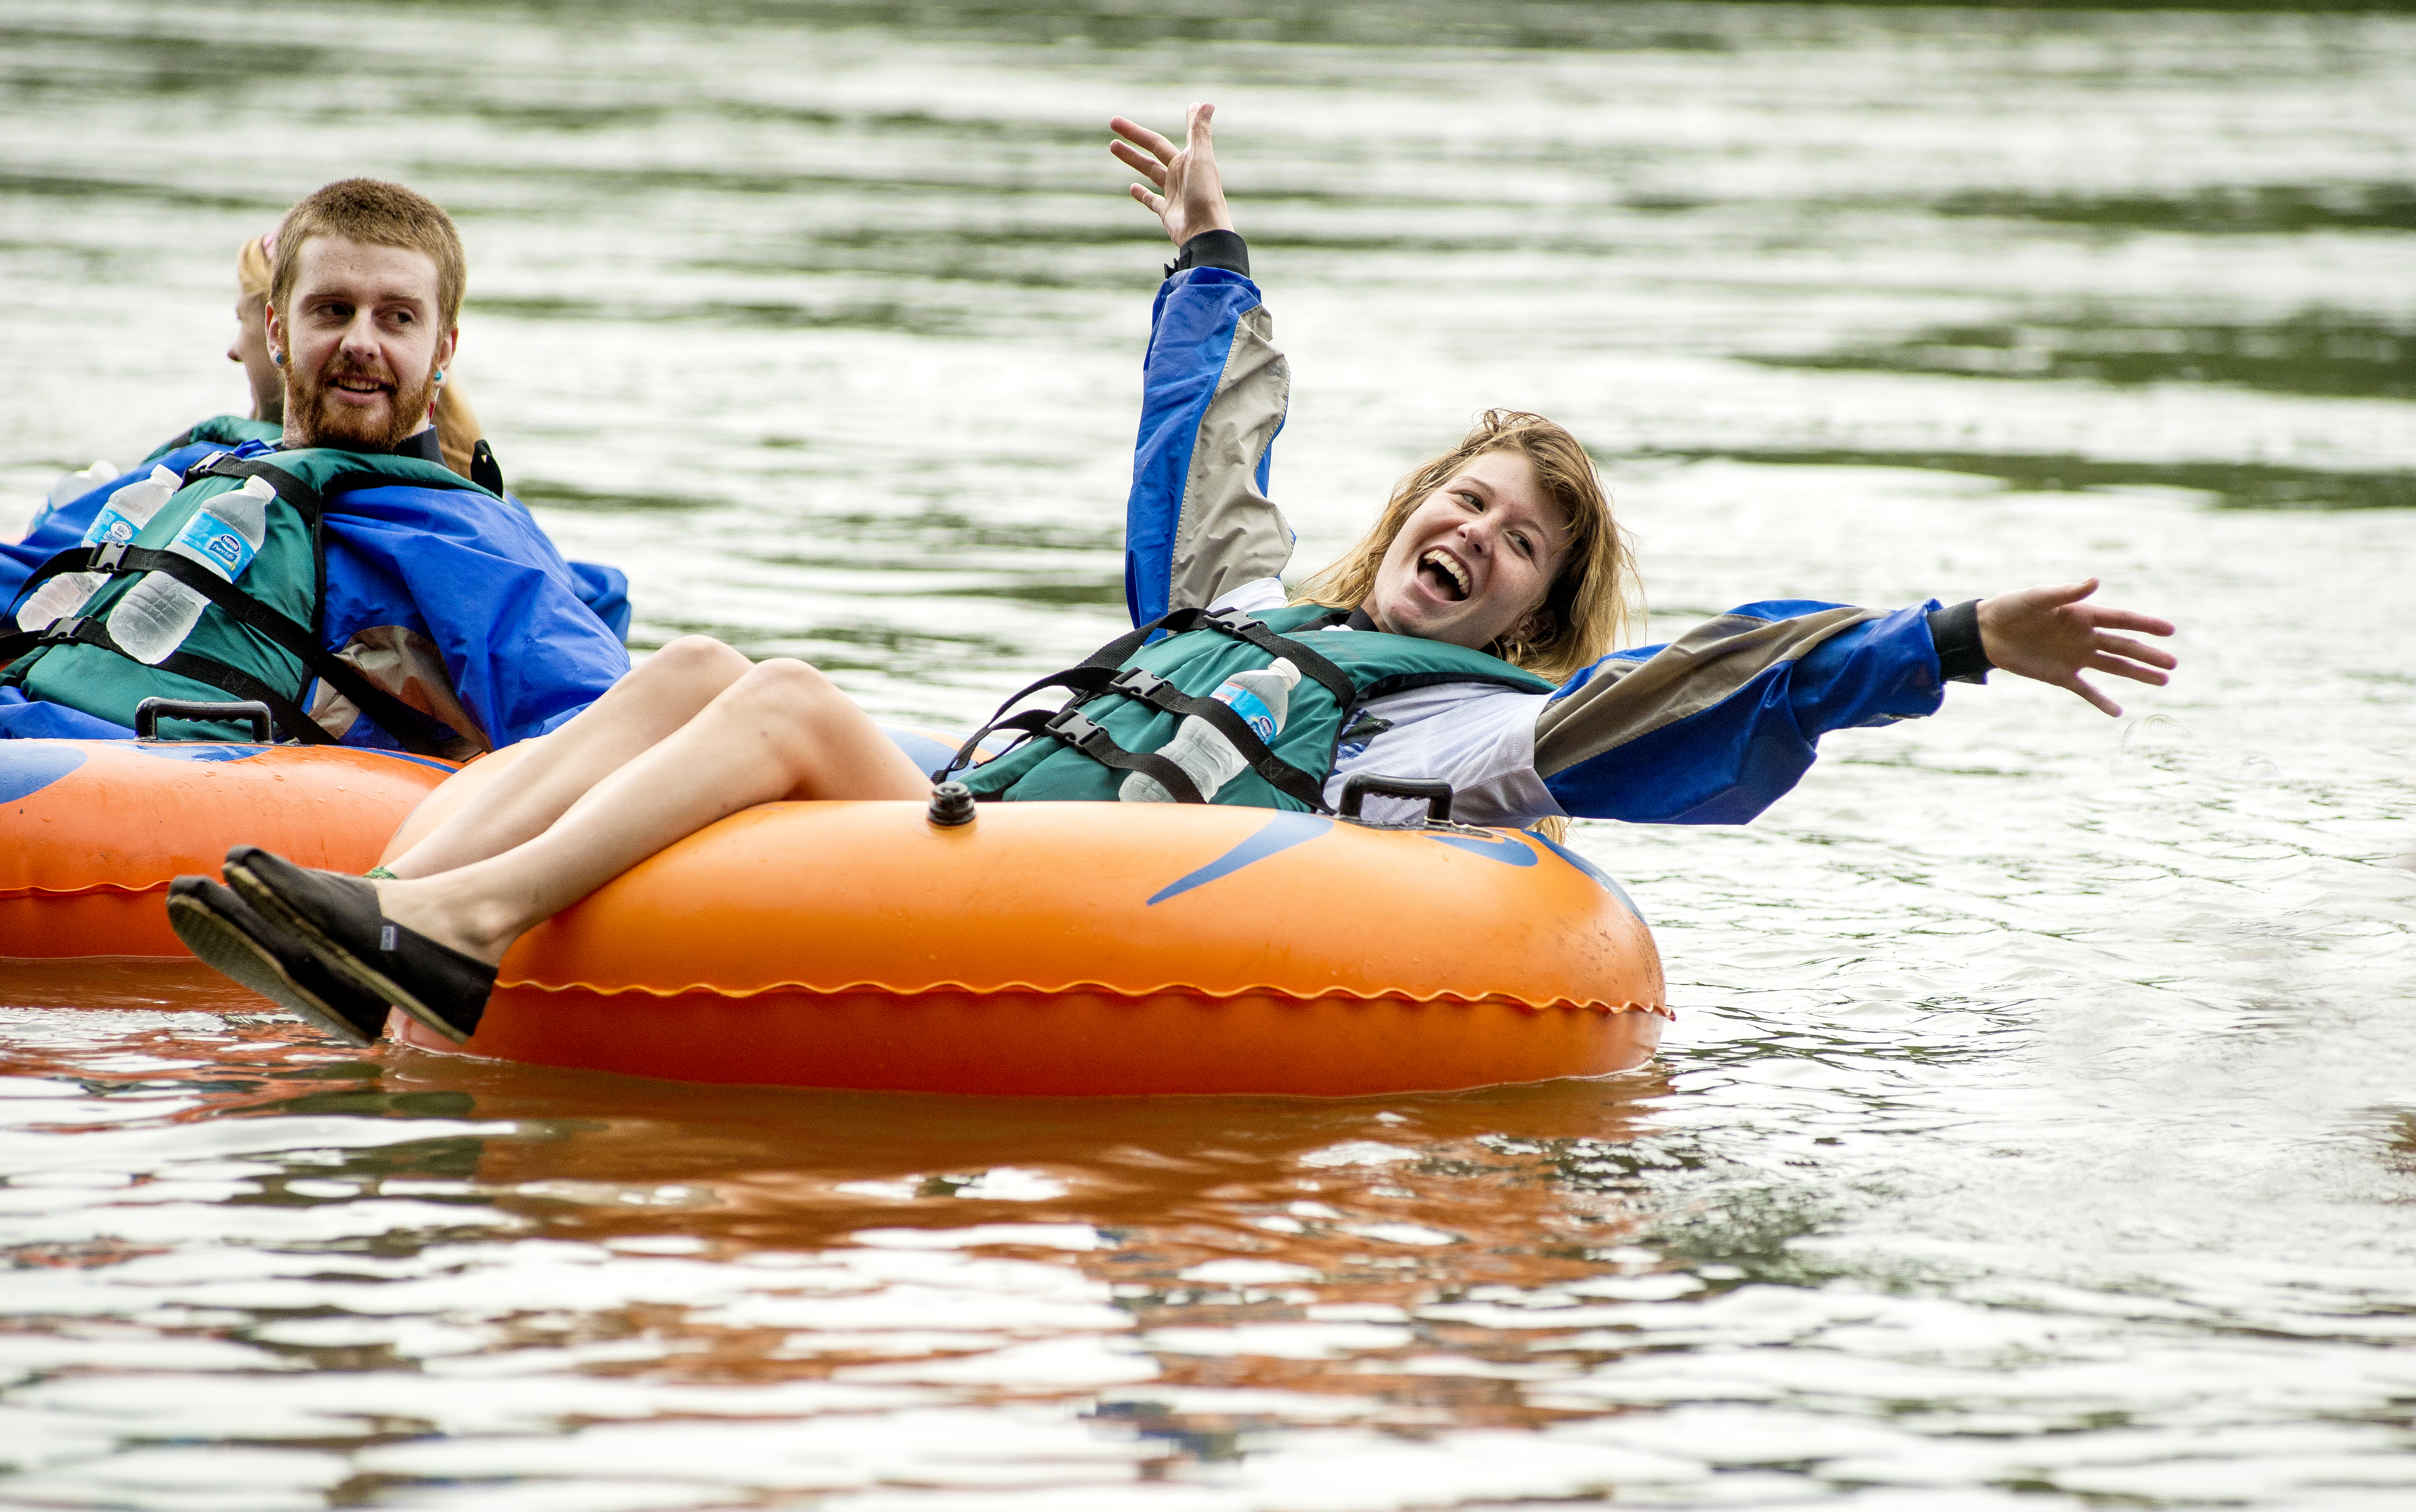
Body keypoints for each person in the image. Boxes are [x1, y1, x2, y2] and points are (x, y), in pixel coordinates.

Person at [167, 106, 2175, 1050]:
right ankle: (395, 905)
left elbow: (1706, 690)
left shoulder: (1471, 721)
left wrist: (1945, 640)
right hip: (986, 819)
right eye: (1458, 499)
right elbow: (1212, 465)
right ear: (1402, 516)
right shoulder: (1260, 608)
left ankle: (446, 923)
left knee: (776, 693)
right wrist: (1210, 254)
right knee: (696, 659)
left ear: (1531, 611)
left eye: (1519, 541)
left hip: (1048, 880)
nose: (1470, 532)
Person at [0, 180, 630, 753]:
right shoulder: (194, 473)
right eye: (333, 310)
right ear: (277, 330)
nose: (361, 341)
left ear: (443, 351)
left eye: (397, 317)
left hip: (166, 796)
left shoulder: (462, 541)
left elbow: (599, 727)